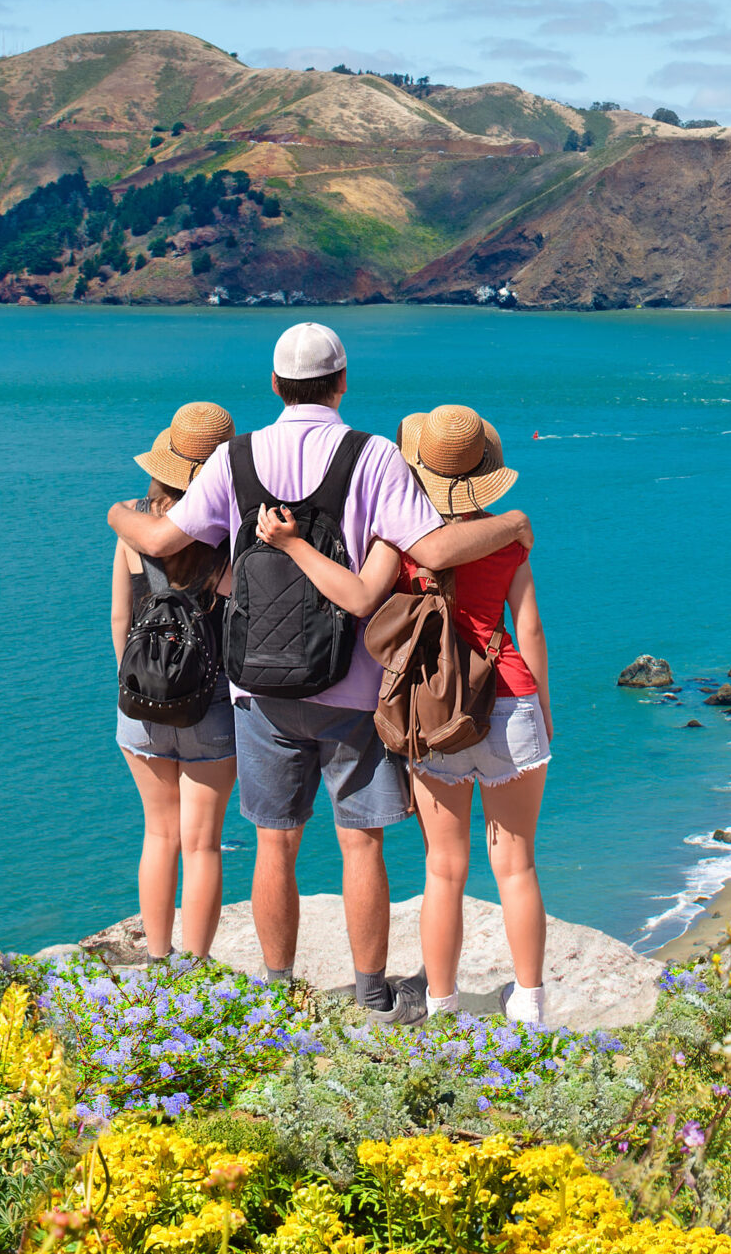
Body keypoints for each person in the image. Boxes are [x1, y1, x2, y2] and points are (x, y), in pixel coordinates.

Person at [106, 324, 531, 1021]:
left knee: (275, 842)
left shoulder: (235, 458)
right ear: (342, 383)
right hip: (353, 682)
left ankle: (277, 988)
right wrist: (511, 523)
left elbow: (158, 540)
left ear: (274, 385)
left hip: (257, 687)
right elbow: (435, 544)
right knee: (360, 843)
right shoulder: (375, 456)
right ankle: (370, 989)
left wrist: (116, 510)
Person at [263, 403, 552, 1025]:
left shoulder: (398, 541)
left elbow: (359, 598)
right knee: (517, 863)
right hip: (509, 696)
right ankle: (529, 1007)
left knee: (443, 868)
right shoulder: (510, 539)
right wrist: (542, 713)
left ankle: (443, 1005)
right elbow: (527, 629)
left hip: (430, 710)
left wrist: (290, 547)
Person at [110, 402, 239, 965]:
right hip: (211, 705)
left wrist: (142, 687)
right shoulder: (229, 532)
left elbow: (121, 619)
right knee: (202, 842)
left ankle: (157, 959)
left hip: (140, 703)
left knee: (158, 836)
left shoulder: (136, 524)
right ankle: (195, 965)